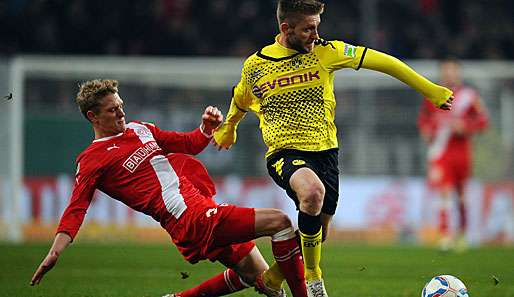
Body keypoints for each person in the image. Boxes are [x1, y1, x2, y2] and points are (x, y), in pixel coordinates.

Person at [212, 0, 454, 295]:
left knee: (318, 232)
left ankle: (272, 279)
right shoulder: (256, 66)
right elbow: (240, 99)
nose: (315, 34)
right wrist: (229, 128)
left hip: (326, 153)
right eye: (307, 29)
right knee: (312, 192)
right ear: (285, 28)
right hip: (284, 153)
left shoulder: (328, 52)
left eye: (317, 27)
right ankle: (314, 276)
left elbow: (386, 62)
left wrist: (430, 90)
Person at [29, 79, 309, 297]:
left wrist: (205, 128)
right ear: (93, 116)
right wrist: (55, 251)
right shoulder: (91, 160)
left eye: (121, 105)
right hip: (190, 218)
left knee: (257, 277)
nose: (121, 112)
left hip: (199, 210)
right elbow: (77, 207)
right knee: (281, 222)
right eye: (112, 110)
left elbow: (188, 144)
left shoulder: (139, 129)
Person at [418, 59, 489, 251]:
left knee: (462, 195)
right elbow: (424, 119)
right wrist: (426, 130)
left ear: (458, 73)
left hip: (462, 152)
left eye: (452, 71)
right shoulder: (433, 94)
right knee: (445, 193)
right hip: (441, 152)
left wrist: (466, 126)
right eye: (445, 71)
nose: (449, 74)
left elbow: (483, 120)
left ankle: (463, 234)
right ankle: (445, 235)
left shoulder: (469, 96)